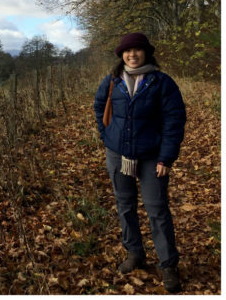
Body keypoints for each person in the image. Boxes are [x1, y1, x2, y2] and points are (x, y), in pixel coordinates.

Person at [93, 32, 186, 293]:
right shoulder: (112, 81)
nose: (132, 55)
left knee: (157, 210)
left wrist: (166, 156)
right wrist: (106, 135)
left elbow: (174, 121)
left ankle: (168, 264)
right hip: (117, 155)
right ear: (121, 55)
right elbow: (100, 107)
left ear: (146, 53)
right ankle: (135, 253)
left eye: (137, 50)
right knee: (125, 206)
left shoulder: (161, 83)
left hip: (151, 157)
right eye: (127, 51)